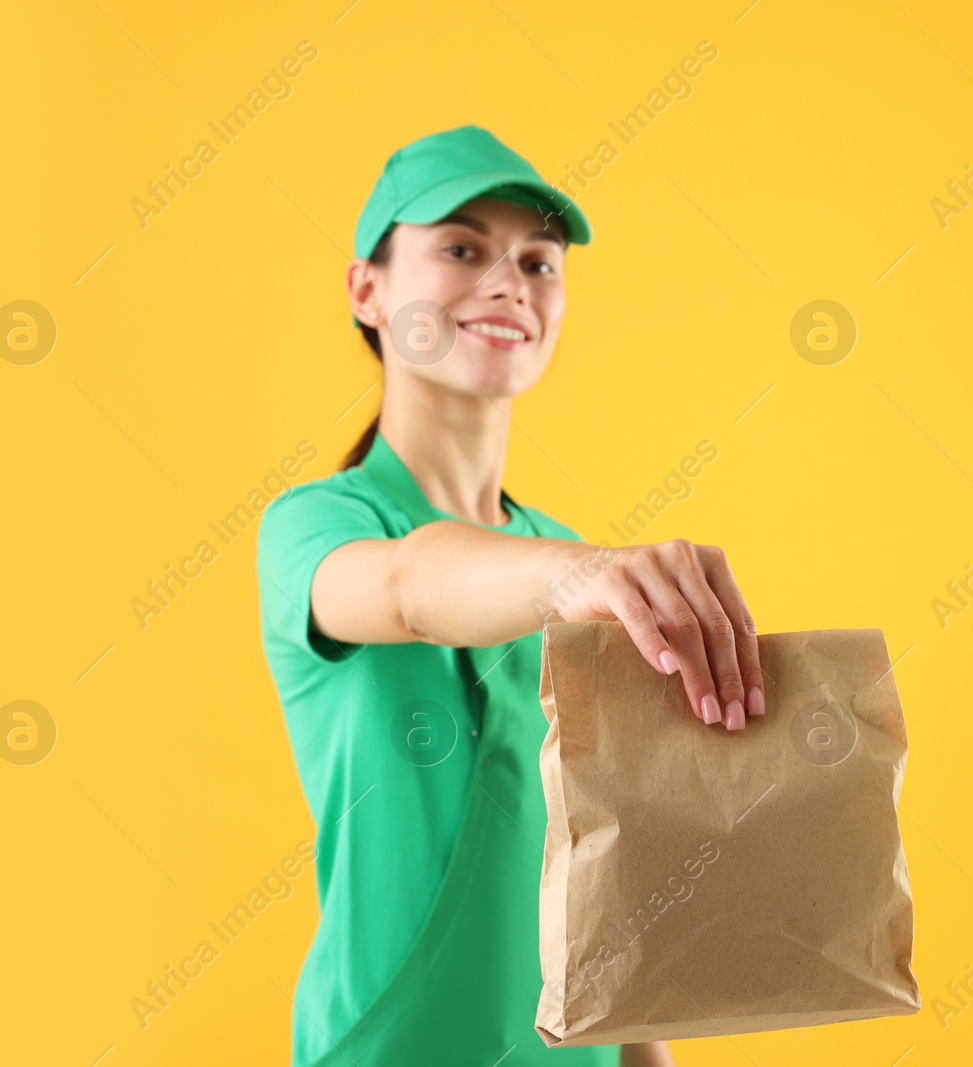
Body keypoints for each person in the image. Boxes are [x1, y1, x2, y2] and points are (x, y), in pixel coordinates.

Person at [256, 125, 765, 1067]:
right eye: (461, 248)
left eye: (540, 261)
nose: (511, 283)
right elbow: (409, 586)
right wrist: (573, 577)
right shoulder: (316, 528)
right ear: (367, 290)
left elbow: (619, 881)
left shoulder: (572, 560)